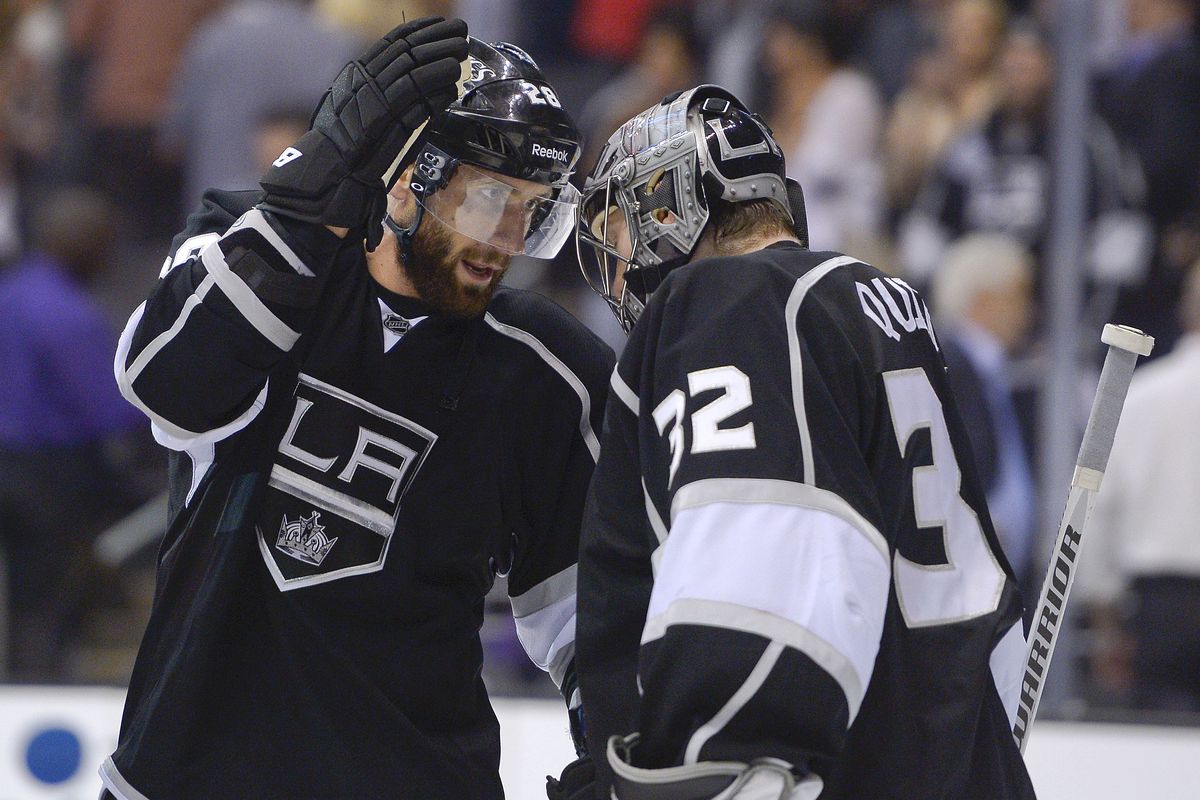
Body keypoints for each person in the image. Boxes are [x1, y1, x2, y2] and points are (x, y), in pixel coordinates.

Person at [104, 19, 613, 799]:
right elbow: (167, 388)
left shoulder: (551, 371)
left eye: (531, 209)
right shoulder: (254, 247)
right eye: (487, 198)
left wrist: (619, 757)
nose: (507, 238)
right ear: (407, 176)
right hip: (185, 773)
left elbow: (592, 619)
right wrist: (308, 204)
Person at [562, 85, 1035, 799]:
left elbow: (771, 554)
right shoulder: (879, 300)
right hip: (955, 760)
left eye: (624, 230)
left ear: (674, 206)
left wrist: (711, 771)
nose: (619, 266)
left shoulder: (727, 301)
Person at [0, 186, 145, 680]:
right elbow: (109, 410)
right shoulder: (70, 315)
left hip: (13, 464)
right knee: (47, 603)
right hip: (49, 479)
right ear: (87, 246)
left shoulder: (11, 293)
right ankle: (36, 692)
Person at [1078, 259, 1200, 712]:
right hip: (1158, 599)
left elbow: (1097, 505)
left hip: (1160, 610)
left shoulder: (1141, 396)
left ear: (1186, 311)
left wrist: (1105, 621)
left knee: (1158, 759)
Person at [931, 233, 1037, 587]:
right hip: (967, 565)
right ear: (984, 299)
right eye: (1019, 295)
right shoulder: (947, 364)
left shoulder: (996, 372)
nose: (1029, 311)